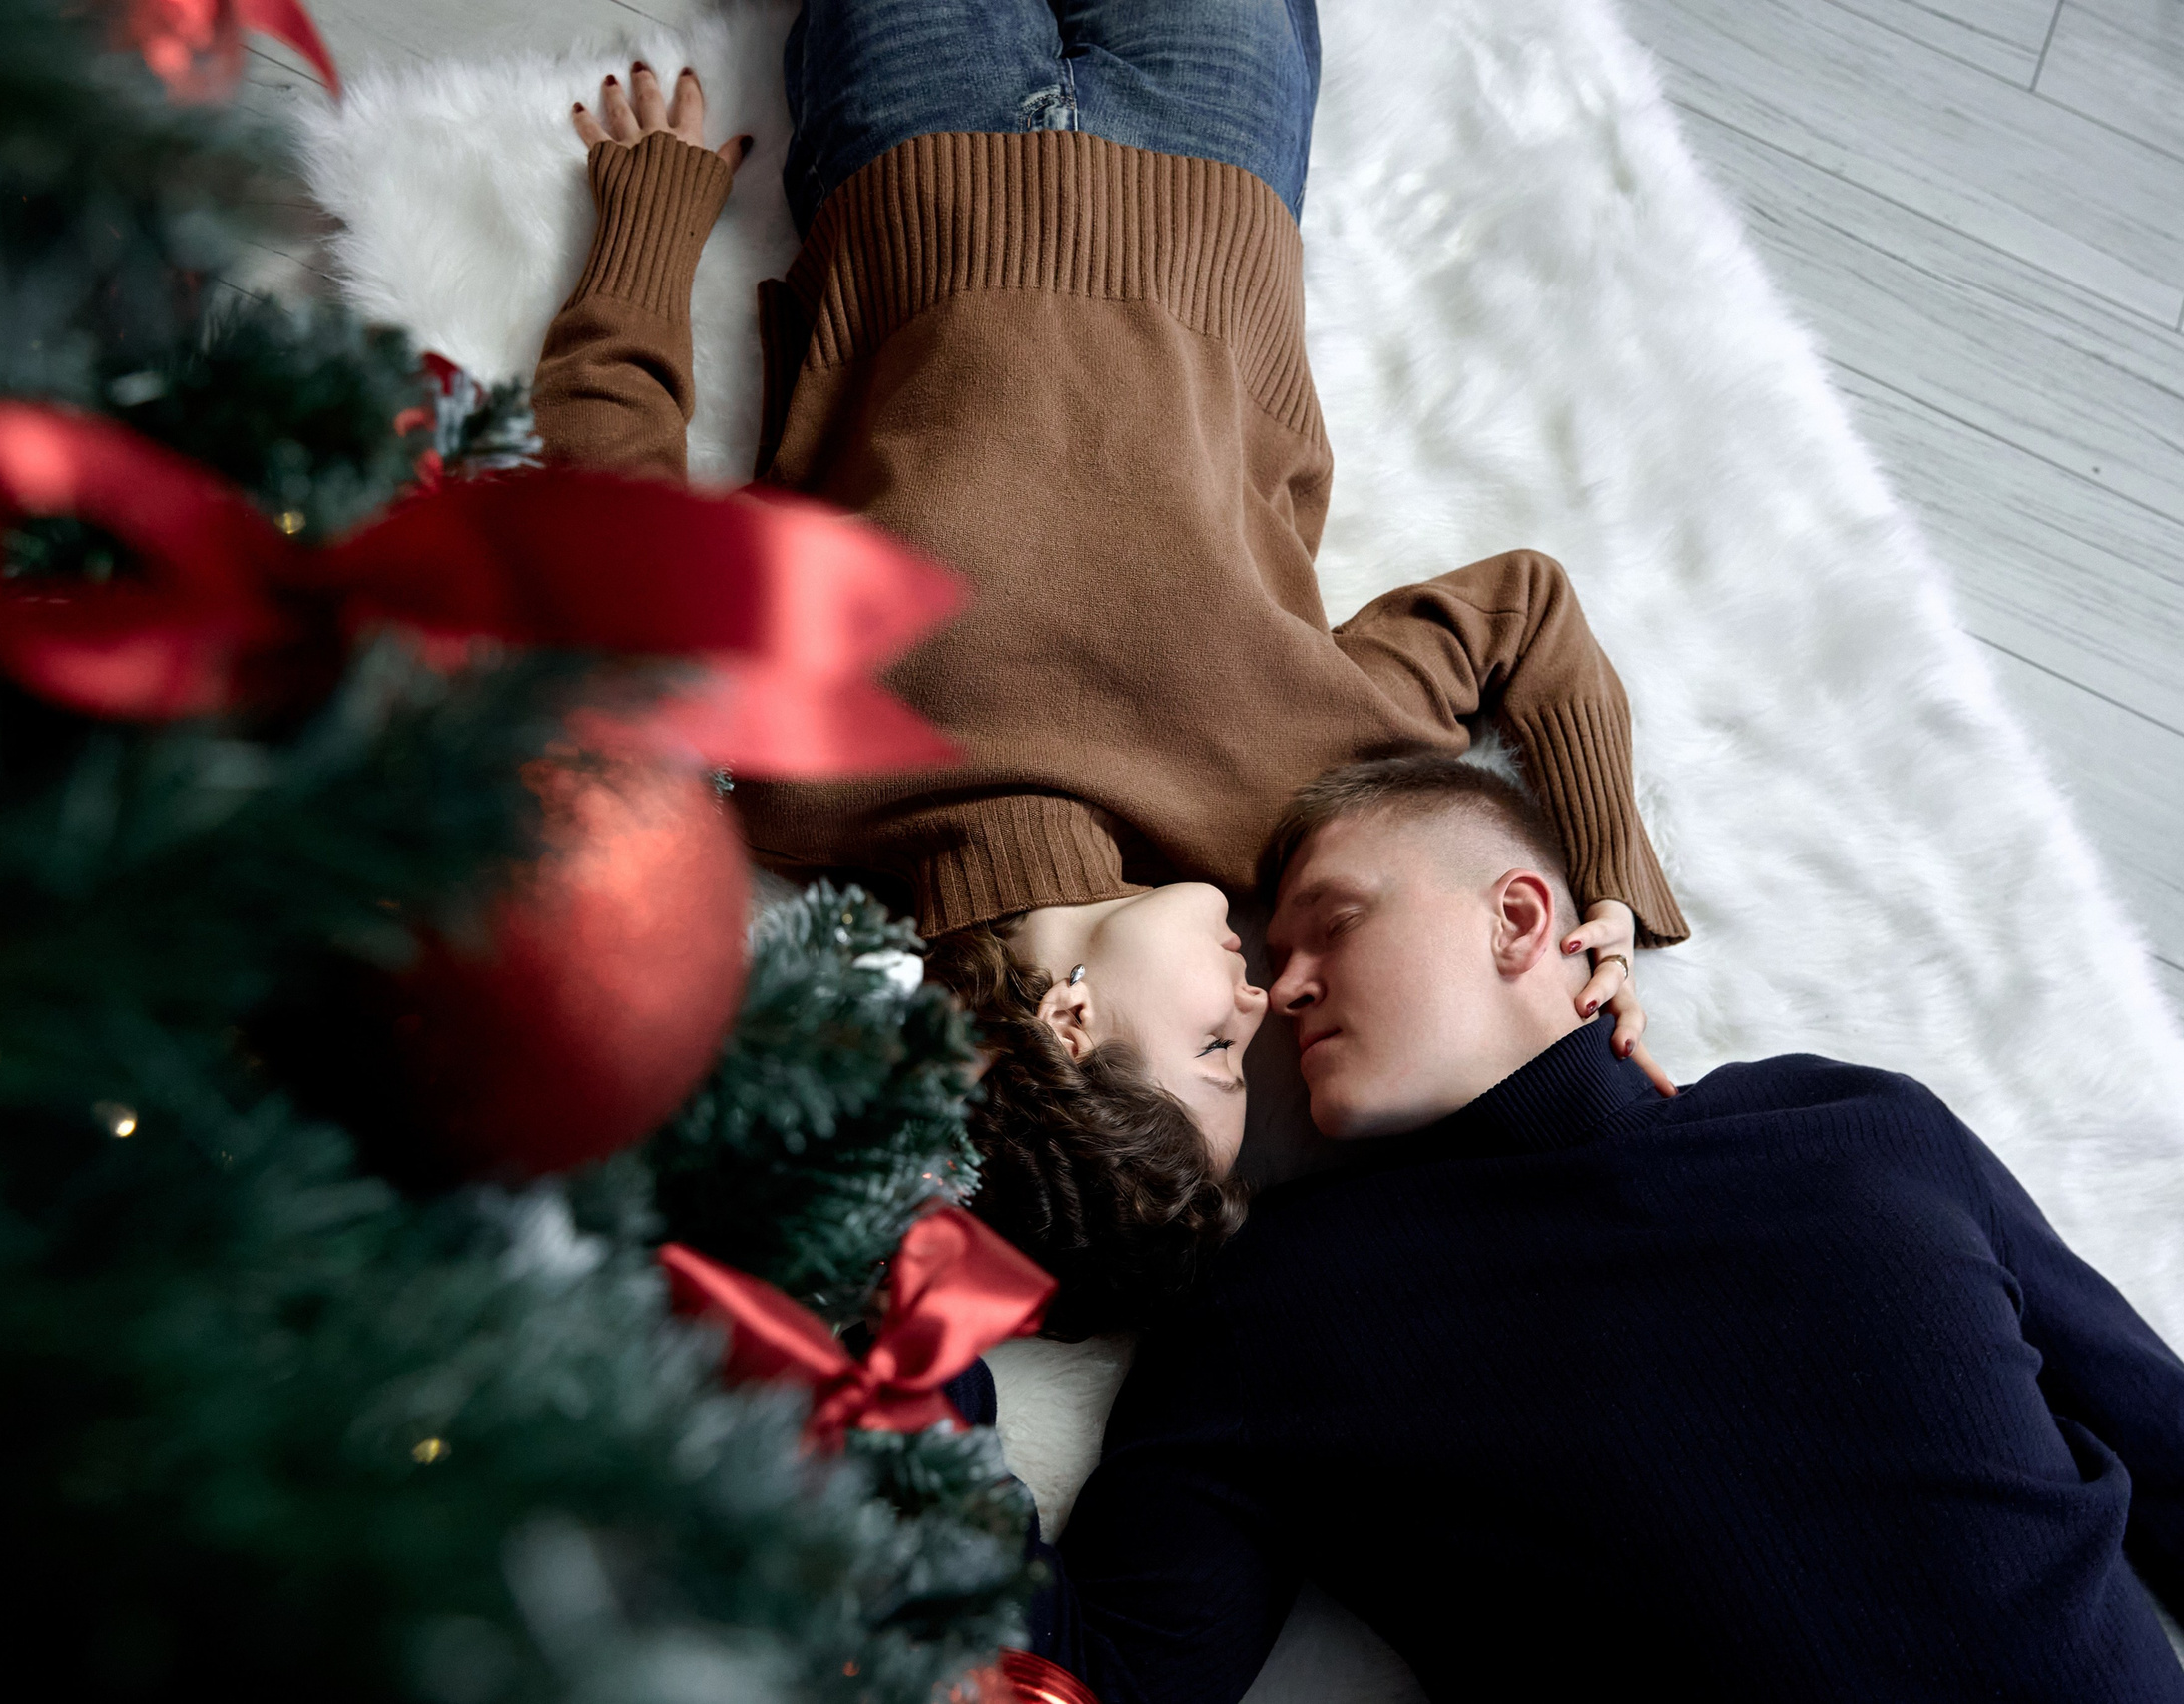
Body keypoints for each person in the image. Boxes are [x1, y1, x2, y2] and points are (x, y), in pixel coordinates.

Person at [532, 1, 1688, 1334]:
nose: (1262, 998)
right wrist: (1607, 888)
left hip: (916, 157)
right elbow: (1526, 612)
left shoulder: (805, 785)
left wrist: (646, 223)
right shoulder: (1296, 801)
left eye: (1215, 1049)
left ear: (1069, 1024)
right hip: (1216, 167)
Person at [1009, 755, 2184, 1702]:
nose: (1285, 987)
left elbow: (2165, 1443)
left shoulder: (1856, 1122)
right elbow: (1094, 1676)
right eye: (1276, 959)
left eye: (1335, 925)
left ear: (1517, 917)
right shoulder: (1268, 1301)